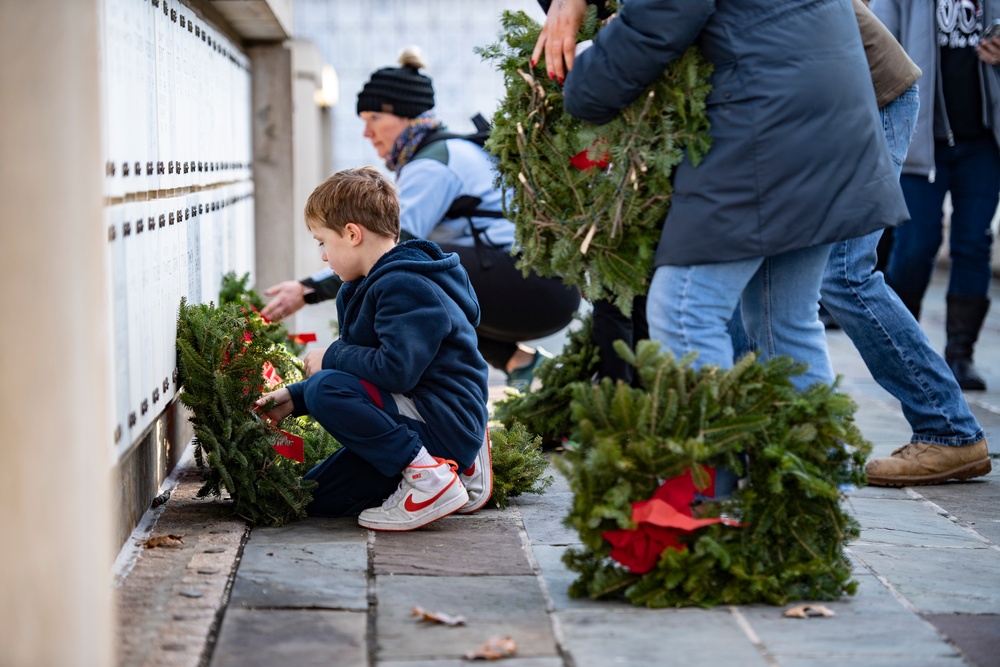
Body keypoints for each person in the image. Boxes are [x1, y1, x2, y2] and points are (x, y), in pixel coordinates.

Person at [561, 0, 910, 393]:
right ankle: (821, 454)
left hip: (773, 122)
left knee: (683, 311)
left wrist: (576, 81)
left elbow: (656, 23)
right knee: (783, 321)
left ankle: (719, 453)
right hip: (825, 109)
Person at [261, 47, 581, 392]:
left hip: (537, 286)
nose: (367, 133)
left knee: (408, 264)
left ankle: (381, 377)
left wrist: (308, 289)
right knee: (416, 271)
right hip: (540, 285)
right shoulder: (442, 152)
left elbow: (383, 249)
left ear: (406, 117)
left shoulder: (431, 165)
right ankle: (522, 364)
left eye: (373, 119)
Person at [254, 166, 492, 531]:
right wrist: (294, 398)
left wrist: (329, 357)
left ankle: (431, 478)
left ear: (351, 234)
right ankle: (447, 470)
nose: (322, 256)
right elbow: (366, 378)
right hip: (416, 416)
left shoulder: (405, 285)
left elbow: (396, 370)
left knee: (325, 386)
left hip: (442, 420)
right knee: (317, 497)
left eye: (322, 242)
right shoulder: (363, 285)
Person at [823, 0, 991, 486]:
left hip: (874, 100)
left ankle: (949, 428)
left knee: (844, 273)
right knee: (760, 269)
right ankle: (755, 431)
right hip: (833, 102)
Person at [872, 0, 998, 391]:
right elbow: (877, 45)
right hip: (921, 142)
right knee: (914, 244)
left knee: (974, 244)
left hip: (983, 143)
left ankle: (960, 356)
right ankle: (904, 355)